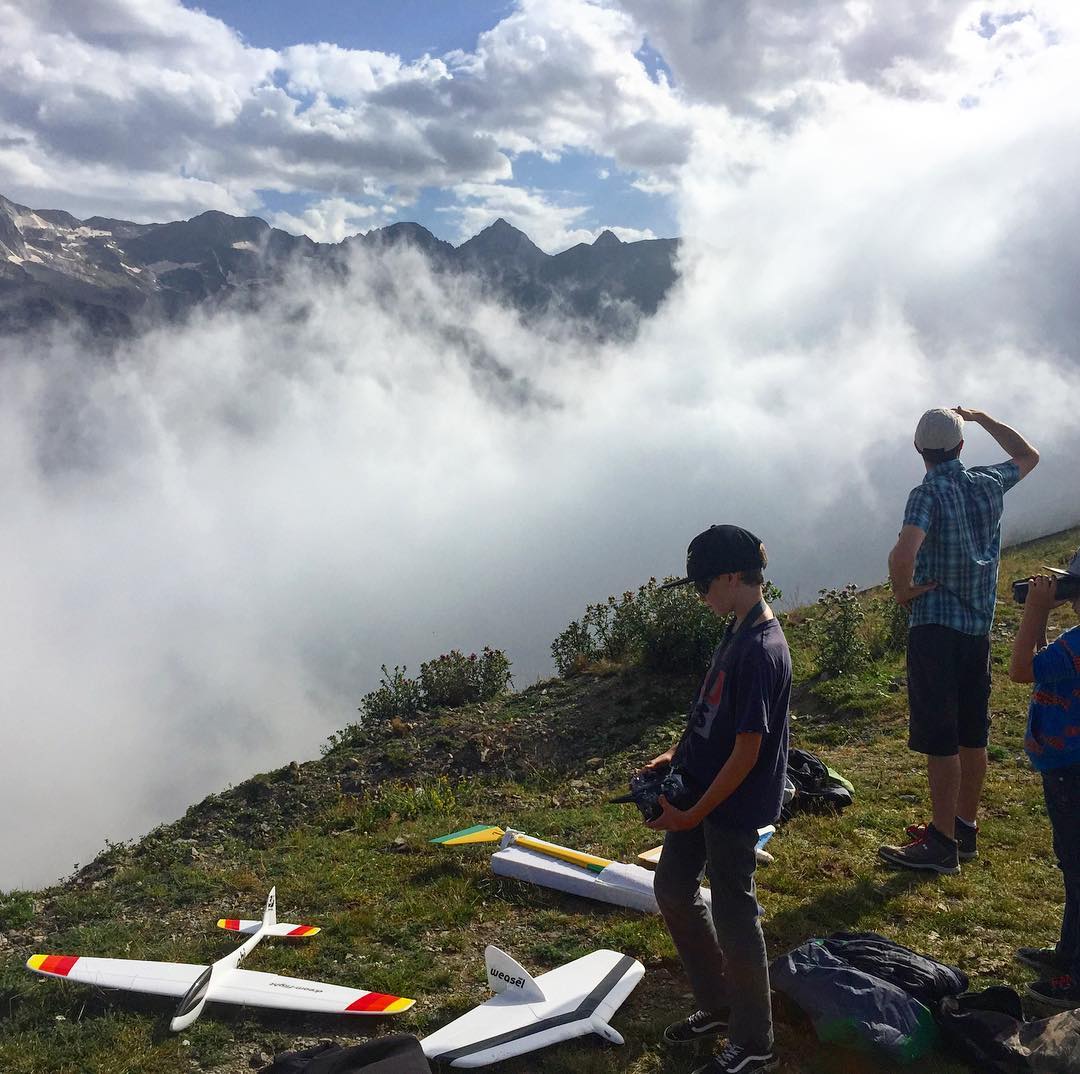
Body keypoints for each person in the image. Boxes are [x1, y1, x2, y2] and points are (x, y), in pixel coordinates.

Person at [643, 524, 790, 1074]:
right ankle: (718, 1004)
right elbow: (710, 714)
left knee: (734, 912)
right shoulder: (735, 628)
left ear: (733, 578)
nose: (699, 594)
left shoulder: (759, 650)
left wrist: (695, 813)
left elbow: (748, 752)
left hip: (730, 804)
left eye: (704, 584)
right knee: (674, 888)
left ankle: (755, 1043)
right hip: (698, 792)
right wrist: (673, 757)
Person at [879, 407, 1039, 874]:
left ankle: (941, 843)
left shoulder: (925, 493)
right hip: (977, 629)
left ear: (918, 450)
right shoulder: (989, 482)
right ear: (962, 447)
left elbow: (903, 553)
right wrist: (985, 417)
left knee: (939, 738)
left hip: (935, 629)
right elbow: (1028, 455)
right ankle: (963, 828)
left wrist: (903, 591)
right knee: (973, 732)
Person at [1008, 549, 1080, 1011]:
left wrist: (1035, 610)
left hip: (1069, 770)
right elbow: (1044, 665)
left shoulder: (1076, 644)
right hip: (1065, 768)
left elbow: (1020, 669)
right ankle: (1068, 954)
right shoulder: (1071, 645)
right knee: (1073, 866)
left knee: (1077, 866)